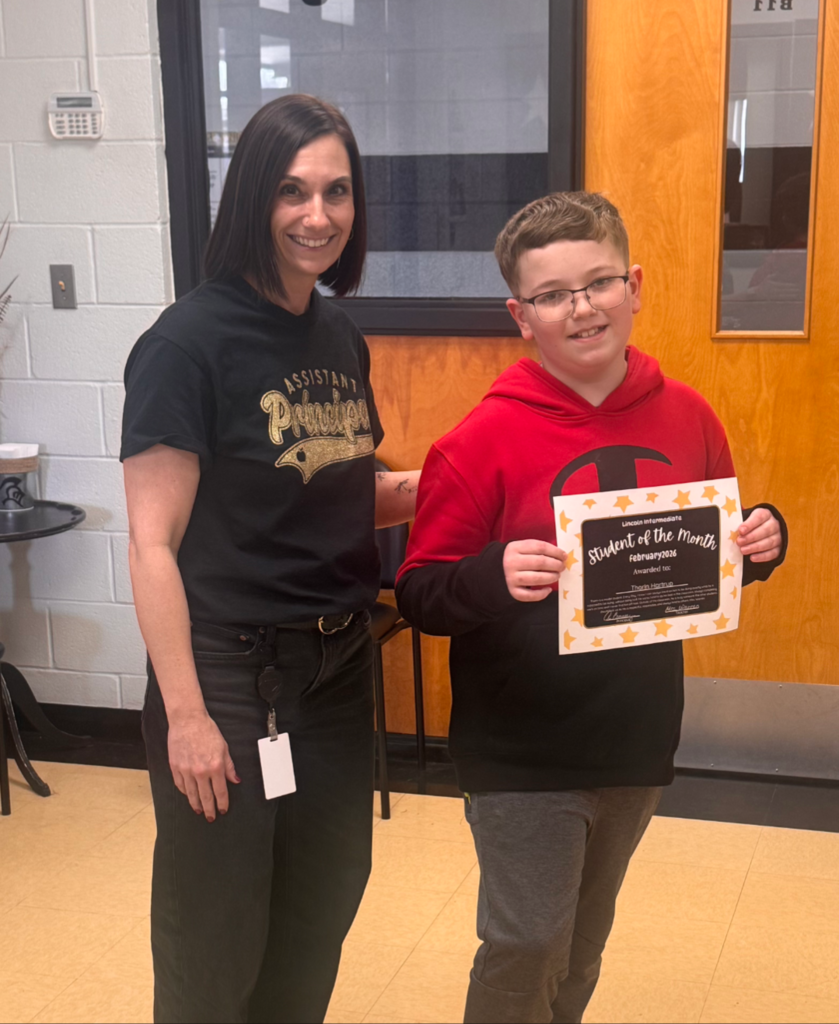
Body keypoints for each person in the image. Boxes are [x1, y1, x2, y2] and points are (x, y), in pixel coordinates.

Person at [395, 191, 787, 1024]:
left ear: (634, 286)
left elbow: (700, 565)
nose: (580, 308)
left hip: (635, 734)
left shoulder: (688, 417)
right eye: (551, 294)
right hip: (521, 744)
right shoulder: (476, 443)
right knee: (526, 940)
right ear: (520, 315)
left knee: (581, 942)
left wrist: (757, 547)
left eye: (598, 282)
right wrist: (492, 575)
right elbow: (422, 590)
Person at [121, 94, 419, 1024]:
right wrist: (187, 718)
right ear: (253, 196)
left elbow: (342, 486)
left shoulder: (337, 333)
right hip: (228, 676)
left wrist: (484, 476)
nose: (317, 214)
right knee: (217, 930)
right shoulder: (187, 342)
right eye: (292, 190)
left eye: (336, 191)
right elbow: (151, 542)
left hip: (332, 673)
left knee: (319, 903)